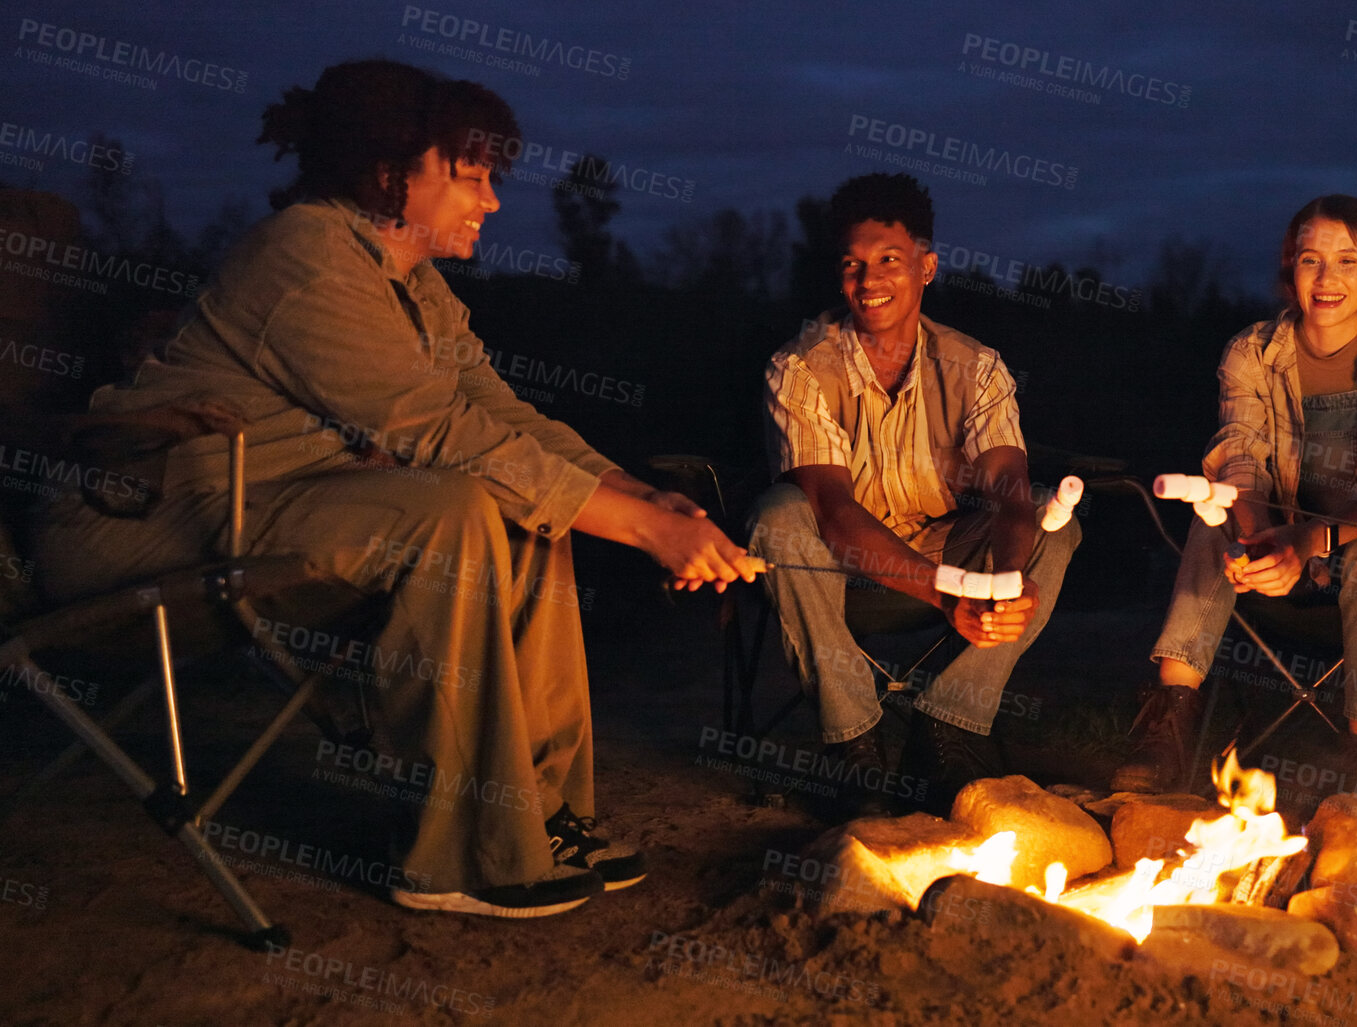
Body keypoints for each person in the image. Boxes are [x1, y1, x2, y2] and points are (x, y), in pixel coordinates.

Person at [31, 59, 762, 918]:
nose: (492, 201)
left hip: (270, 504)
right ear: (390, 174)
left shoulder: (412, 282)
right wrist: (647, 534)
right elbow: (442, 434)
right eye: (470, 177)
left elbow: (500, 413)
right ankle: (457, 853)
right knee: (453, 504)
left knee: (529, 513)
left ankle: (534, 813)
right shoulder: (305, 257)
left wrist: (640, 496)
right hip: (147, 518)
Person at [750, 173, 1079, 812]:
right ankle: (855, 743)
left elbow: (1010, 494)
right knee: (780, 514)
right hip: (836, 565)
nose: (868, 280)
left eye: (889, 261)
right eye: (853, 265)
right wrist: (947, 592)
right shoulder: (800, 367)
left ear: (927, 267)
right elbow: (833, 514)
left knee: (1053, 519)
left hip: (943, 548)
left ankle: (948, 728)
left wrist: (1008, 582)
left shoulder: (975, 366)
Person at [1113, 195, 1357, 796]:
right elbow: (1239, 454)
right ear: (1290, 269)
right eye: (1310, 259)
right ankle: (1167, 726)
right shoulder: (1252, 352)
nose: (1326, 278)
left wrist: (1306, 543)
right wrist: (1263, 537)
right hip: (1272, 537)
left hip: (1356, 554)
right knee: (1213, 510)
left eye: (1347, 261)